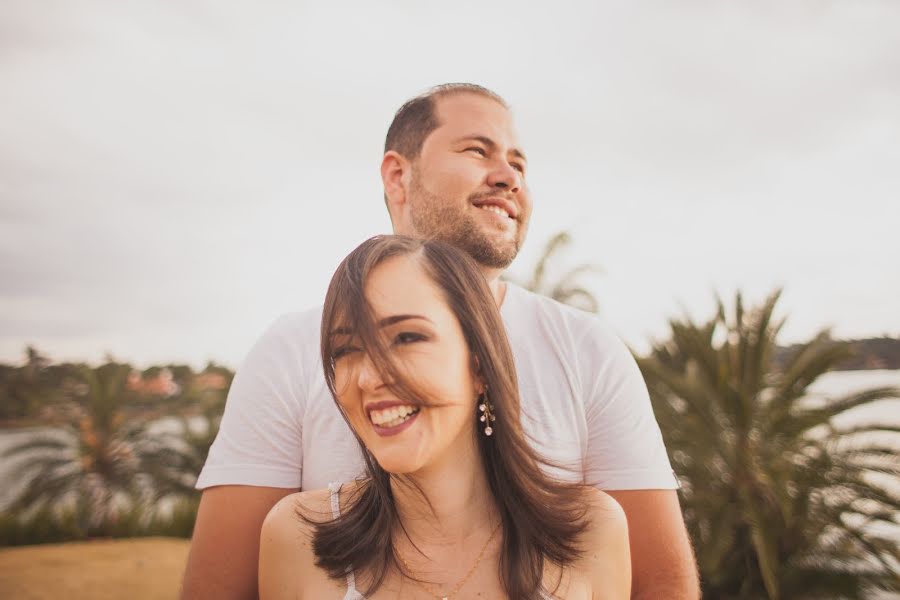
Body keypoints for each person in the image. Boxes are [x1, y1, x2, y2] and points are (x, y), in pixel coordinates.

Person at [181, 83, 699, 599]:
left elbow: (660, 585)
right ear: (398, 175)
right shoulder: (289, 351)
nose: (508, 176)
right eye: (478, 150)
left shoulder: (589, 351)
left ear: (480, 364)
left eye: (519, 164)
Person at [259, 234, 631, 599]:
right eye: (345, 350)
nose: (369, 378)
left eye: (406, 338)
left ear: (480, 364)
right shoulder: (297, 538)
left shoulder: (592, 532)